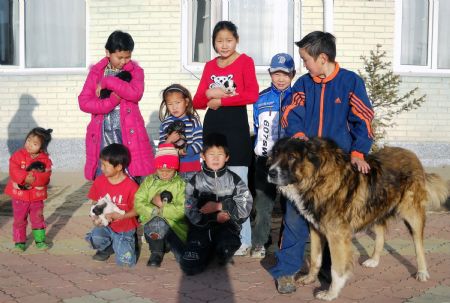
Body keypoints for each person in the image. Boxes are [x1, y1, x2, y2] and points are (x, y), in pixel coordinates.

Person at [271, 31, 374, 294]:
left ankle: (330, 271)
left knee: (331, 221)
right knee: (294, 219)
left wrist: (359, 152)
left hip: (334, 171)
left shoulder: (350, 82)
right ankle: (286, 271)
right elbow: (290, 111)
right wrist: (297, 133)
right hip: (301, 168)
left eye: (306, 59)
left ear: (322, 58)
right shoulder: (304, 84)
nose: (303, 64)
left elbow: (364, 119)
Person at [192, 21, 259, 256]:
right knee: (214, 185)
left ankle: (244, 240)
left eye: (228, 40)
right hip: (213, 128)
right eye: (219, 41)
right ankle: (216, 236)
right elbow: (198, 101)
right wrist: (210, 94)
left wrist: (220, 99)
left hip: (236, 129)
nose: (224, 45)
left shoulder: (245, 62)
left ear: (236, 40)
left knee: (238, 185)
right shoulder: (210, 65)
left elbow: (251, 94)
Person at [78, 30, 155, 183]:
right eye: (120, 57)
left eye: (128, 57)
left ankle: (129, 204)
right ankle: (105, 204)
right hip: (103, 132)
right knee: (105, 172)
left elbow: (135, 93)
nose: (124, 62)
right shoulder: (96, 73)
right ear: (108, 52)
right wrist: (112, 101)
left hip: (128, 132)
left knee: (129, 174)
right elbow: (84, 102)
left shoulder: (136, 72)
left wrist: (107, 82)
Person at [180, 133, 253, 275]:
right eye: (211, 154)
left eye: (220, 154)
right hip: (200, 228)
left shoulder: (234, 179)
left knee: (226, 248)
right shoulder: (196, 180)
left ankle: (218, 250)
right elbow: (188, 205)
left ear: (227, 157)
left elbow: (246, 203)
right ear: (202, 156)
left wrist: (222, 208)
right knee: (190, 266)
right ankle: (203, 248)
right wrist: (207, 219)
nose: (215, 158)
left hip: (226, 227)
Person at [251, 53, 296, 259]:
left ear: (292, 75)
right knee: (263, 204)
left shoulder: (297, 98)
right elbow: (258, 127)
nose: (280, 78)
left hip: (288, 164)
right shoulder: (260, 98)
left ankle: (286, 244)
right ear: (270, 73)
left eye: (285, 74)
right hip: (264, 160)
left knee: (290, 207)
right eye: (276, 73)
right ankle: (260, 242)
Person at [85, 143, 140, 267]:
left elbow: (138, 209)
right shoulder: (99, 181)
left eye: (105, 165)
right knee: (96, 237)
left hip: (124, 228)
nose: (102, 168)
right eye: (101, 164)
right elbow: (94, 203)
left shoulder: (131, 186)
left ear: (119, 167)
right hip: (106, 226)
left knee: (125, 263)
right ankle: (107, 248)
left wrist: (122, 216)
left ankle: (128, 243)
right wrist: (95, 218)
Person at [134, 143, 188, 267]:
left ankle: (171, 246)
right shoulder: (149, 182)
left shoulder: (181, 185)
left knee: (184, 259)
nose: (164, 173)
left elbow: (183, 209)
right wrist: (155, 210)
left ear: (175, 169)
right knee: (157, 223)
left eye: (168, 170)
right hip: (154, 225)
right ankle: (156, 252)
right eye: (160, 170)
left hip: (175, 227)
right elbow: (138, 202)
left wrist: (162, 207)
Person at [5, 127, 53, 251]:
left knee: (37, 218)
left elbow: (46, 176)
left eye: (35, 143)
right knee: (19, 219)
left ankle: (40, 240)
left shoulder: (45, 160)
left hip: (36, 197)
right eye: (28, 140)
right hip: (19, 196)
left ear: (42, 147)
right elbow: (13, 170)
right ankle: (19, 242)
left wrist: (35, 178)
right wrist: (25, 177)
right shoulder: (17, 155)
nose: (29, 145)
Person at [158, 84, 203, 182]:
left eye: (177, 102)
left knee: (191, 196)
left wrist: (186, 151)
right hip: (171, 170)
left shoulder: (193, 121)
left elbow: (199, 143)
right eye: (170, 104)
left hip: (192, 168)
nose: (174, 107)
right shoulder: (165, 124)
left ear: (186, 102)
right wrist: (169, 140)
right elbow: (161, 147)